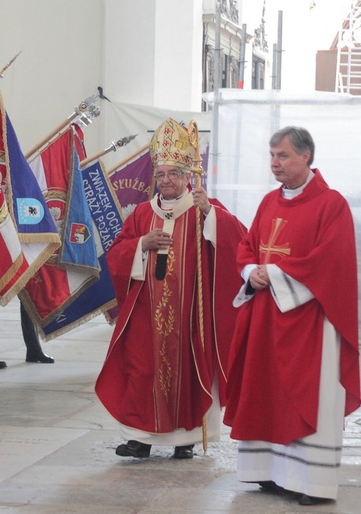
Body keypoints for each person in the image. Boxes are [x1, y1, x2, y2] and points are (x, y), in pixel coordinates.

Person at [223, 126, 361, 506]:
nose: (274, 163)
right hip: (267, 313)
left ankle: (312, 483)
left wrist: (277, 275)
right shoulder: (269, 202)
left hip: (310, 321)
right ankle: (269, 474)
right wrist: (250, 272)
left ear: (306, 157)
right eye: (271, 156)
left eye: (282, 156)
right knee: (266, 391)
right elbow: (249, 245)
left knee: (306, 395)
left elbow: (330, 261)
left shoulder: (330, 204)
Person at [95, 118, 246, 459]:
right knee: (141, 370)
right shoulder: (141, 215)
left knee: (188, 374)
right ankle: (140, 438)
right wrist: (141, 245)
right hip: (145, 314)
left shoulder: (202, 209)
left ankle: (186, 439)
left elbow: (238, 243)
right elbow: (116, 254)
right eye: (160, 175)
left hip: (189, 314)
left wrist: (211, 216)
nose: (166, 181)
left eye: (174, 174)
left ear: (187, 176)